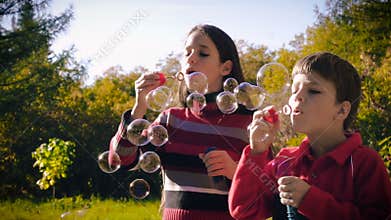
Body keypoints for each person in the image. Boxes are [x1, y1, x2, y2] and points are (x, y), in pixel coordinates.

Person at [109, 24, 254, 219]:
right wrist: (139, 109)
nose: (191, 58)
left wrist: (236, 171)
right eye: (187, 53)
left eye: (202, 54)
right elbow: (121, 159)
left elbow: (266, 189)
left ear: (226, 67)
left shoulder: (249, 124)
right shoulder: (171, 120)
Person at [229, 52, 391, 220]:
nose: (297, 97)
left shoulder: (364, 162)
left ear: (342, 110)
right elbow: (244, 210)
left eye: (313, 91)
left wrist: (310, 200)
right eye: (294, 91)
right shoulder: (285, 160)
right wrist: (256, 151)